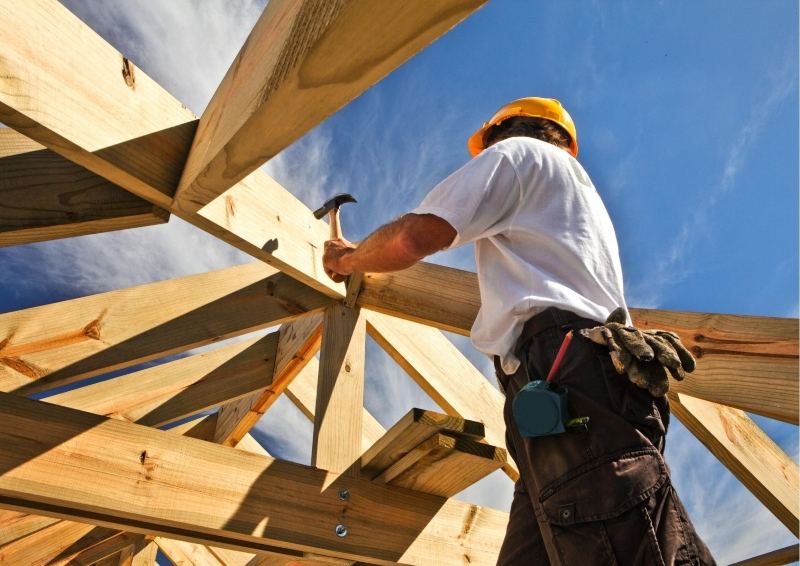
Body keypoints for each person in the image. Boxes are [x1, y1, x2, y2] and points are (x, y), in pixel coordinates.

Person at [322, 97, 714, 565]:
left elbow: (414, 237)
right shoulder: (571, 195)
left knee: (620, 538)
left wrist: (348, 259)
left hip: (567, 378)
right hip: (567, 392)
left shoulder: (517, 156)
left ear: (498, 135)